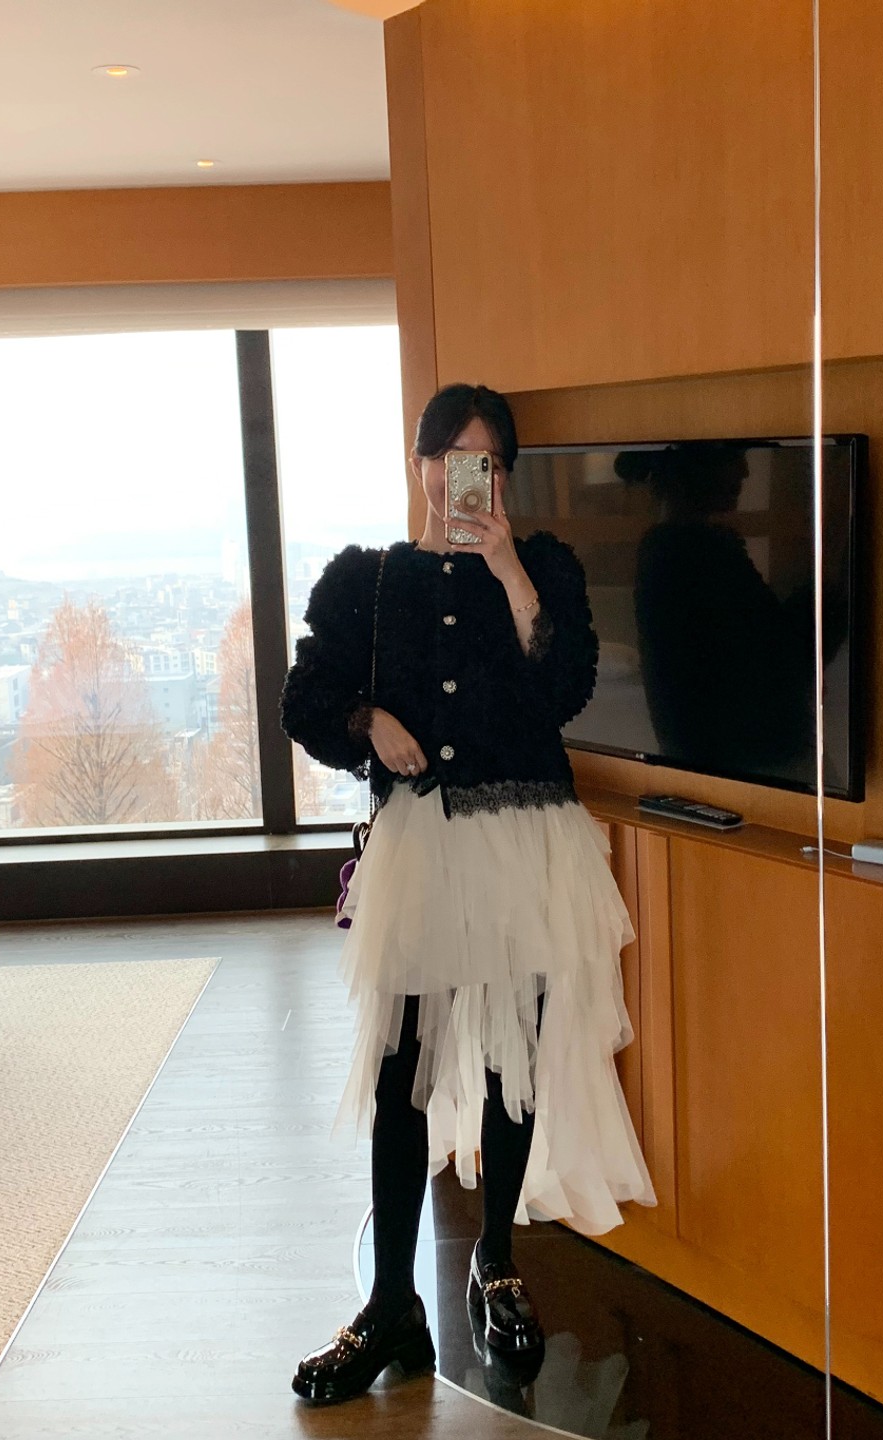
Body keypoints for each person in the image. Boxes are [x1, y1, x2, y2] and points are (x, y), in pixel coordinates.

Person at [280, 383, 656, 1406]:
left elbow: (567, 686)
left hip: (527, 843)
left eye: (485, 463)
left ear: (506, 477)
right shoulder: (364, 580)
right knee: (402, 1070)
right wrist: (368, 721)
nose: (465, 481)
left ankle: (496, 1262)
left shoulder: (544, 570)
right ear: (421, 466)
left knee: (511, 1063)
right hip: (422, 848)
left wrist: (509, 570)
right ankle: (391, 1304)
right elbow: (304, 699)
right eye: (450, 460)